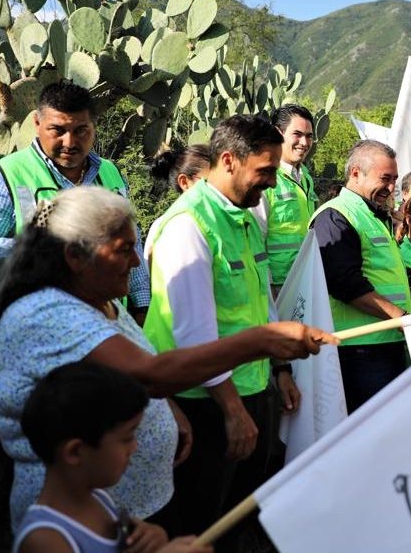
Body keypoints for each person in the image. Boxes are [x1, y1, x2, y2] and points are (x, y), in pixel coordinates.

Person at [0, 186, 332, 534]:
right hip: (80, 523)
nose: (136, 262)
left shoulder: (102, 302)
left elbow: (135, 367)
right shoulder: (49, 313)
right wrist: (261, 341)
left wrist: (165, 409)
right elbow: (148, 376)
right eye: (123, 251)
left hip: (128, 511)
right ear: (75, 256)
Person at [144, 115, 295, 548]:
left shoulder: (244, 219)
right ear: (229, 160)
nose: (270, 182)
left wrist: (279, 369)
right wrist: (231, 410)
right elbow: (194, 334)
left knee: (236, 521)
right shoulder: (189, 225)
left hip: (250, 390)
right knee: (199, 526)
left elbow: (260, 301)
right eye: (264, 171)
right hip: (204, 405)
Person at [0, 81, 151, 323]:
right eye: (58, 130)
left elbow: (131, 245)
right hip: (38, 328)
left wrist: (142, 304)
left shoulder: (110, 172)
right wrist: (44, 251)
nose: (70, 142)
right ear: (37, 124)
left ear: (94, 126)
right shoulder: (4, 176)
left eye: (81, 130)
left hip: (110, 323)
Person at [14, 362, 212, 553]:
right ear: (75, 452)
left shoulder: (99, 497)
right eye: (126, 438)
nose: (134, 447)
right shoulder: (45, 539)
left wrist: (154, 537)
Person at [310, 140, 411, 412]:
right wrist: (400, 317)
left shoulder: (373, 215)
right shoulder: (335, 215)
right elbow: (344, 282)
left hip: (386, 341)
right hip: (359, 347)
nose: (391, 188)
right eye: (385, 179)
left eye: (395, 180)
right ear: (356, 173)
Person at [255, 104, 318, 291]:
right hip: (276, 286)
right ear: (278, 133)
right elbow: (255, 239)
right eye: (297, 134)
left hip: (304, 279)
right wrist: (267, 289)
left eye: (309, 136)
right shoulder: (264, 177)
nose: (304, 143)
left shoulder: (305, 176)